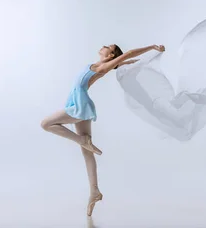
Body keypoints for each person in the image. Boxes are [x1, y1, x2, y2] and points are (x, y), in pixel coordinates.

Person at [40, 44, 166, 216]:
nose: (103, 46)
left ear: (112, 54)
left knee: (46, 124)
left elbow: (128, 54)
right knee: (87, 152)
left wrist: (153, 48)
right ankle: (94, 192)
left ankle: (82, 141)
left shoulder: (103, 67)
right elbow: (128, 60)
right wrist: (136, 61)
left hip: (79, 106)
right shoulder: (97, 64)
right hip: (78, 104)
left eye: (108, 47)